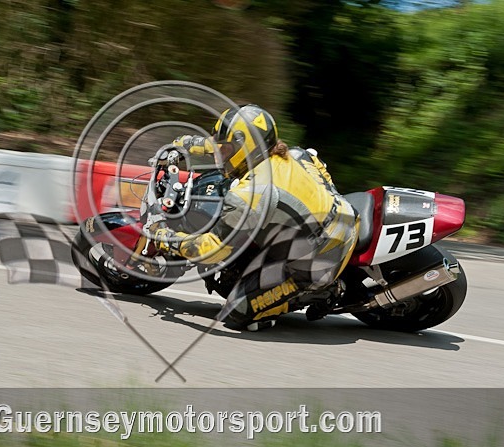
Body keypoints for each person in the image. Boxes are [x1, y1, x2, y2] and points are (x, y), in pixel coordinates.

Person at [149, 104, 360, 331]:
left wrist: (167, 239)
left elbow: (214, 250)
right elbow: (216, 145)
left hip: (325, 253)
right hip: (339, 212)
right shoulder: (290, 153)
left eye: (226, 150)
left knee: (238, 311)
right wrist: (184, 143)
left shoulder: (252, 193)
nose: (221, 155)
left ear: (246, 147)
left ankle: (325, 290)